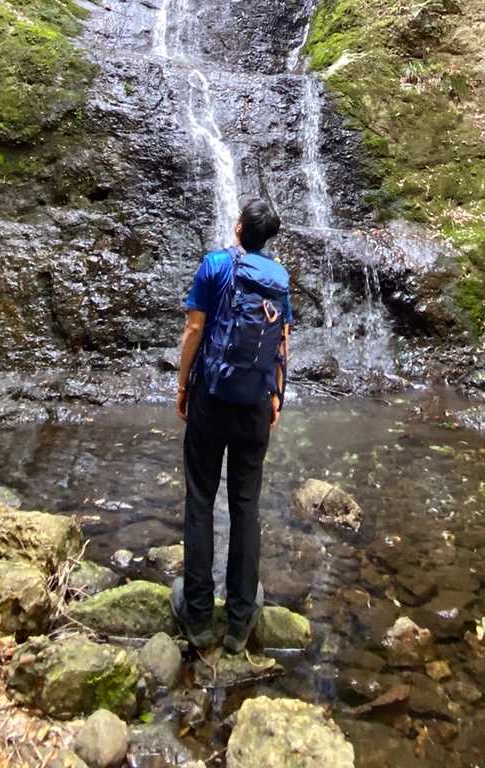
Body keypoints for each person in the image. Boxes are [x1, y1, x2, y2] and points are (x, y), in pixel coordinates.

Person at [171, 198, 292, 654]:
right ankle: (241, 621)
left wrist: (183, 384)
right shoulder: (279, 278)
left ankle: (198, 616)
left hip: (212, 398)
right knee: (246, 506)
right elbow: (282, 341)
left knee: (200, 500)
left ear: (239, 227)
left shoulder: (216, 265)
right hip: (256, 404)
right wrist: (277, 396)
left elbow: (194, 330)